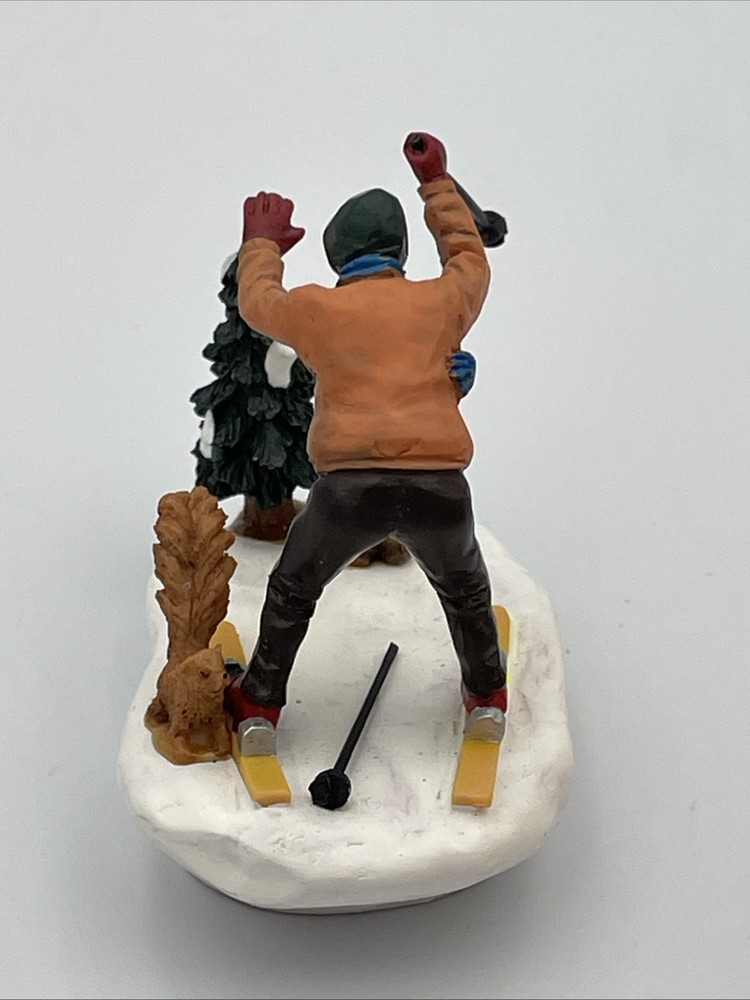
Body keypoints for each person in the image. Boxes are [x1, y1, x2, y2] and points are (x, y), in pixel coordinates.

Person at [226, 132, 507, 753]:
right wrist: (437, 183)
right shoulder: (441, 301)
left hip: (348, 490)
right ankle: (487, 696)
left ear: (336, 257)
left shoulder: (318, 311)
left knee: (294, 591)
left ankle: (260, 703)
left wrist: (262, 244)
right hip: (440, 488)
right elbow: (470, 257)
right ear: (401, 249)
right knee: (465, 591)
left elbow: (258, 302)